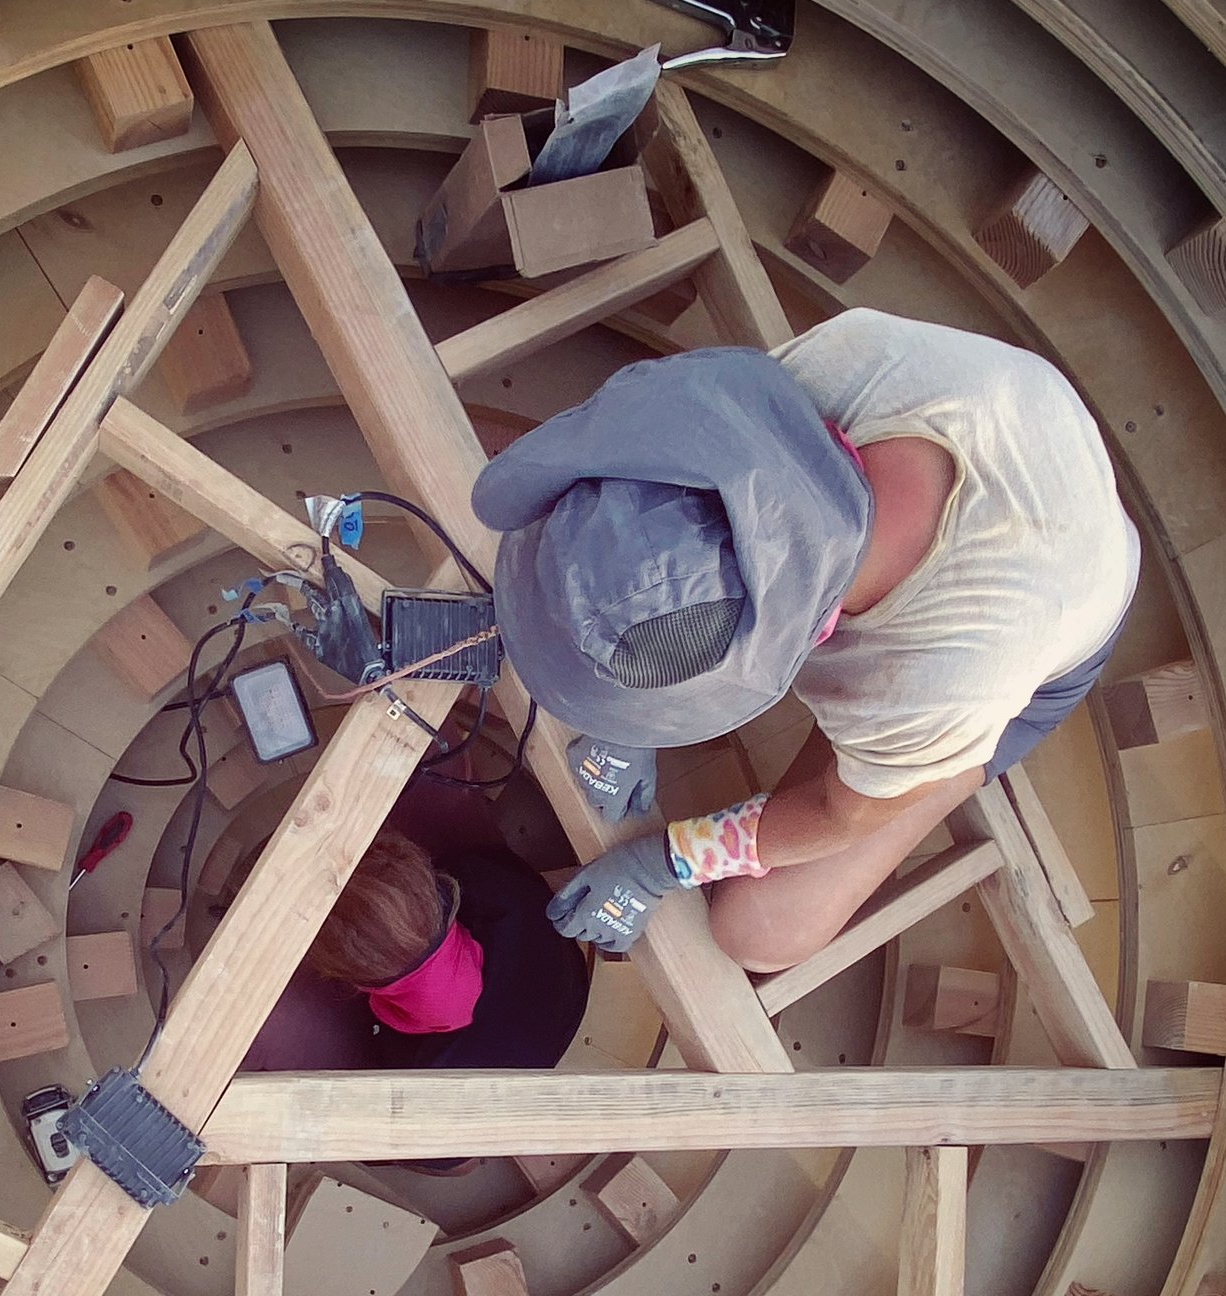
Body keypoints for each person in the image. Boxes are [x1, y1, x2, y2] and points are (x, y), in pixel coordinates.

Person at [474, 309, 1141, 973]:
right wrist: (635, 712)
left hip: (1052, 642)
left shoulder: (935, 689)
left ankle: (934, 775)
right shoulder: (833, 372)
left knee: (759, 930)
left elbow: (837, 812)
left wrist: (667, 861)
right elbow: (680, 536)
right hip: (1038, 461)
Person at [239, 804, 590, 1075]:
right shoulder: (494, 886)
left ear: (354, 981)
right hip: (567, 991)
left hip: (491, 1061)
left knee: (272, 1024)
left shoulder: (423, 1067)